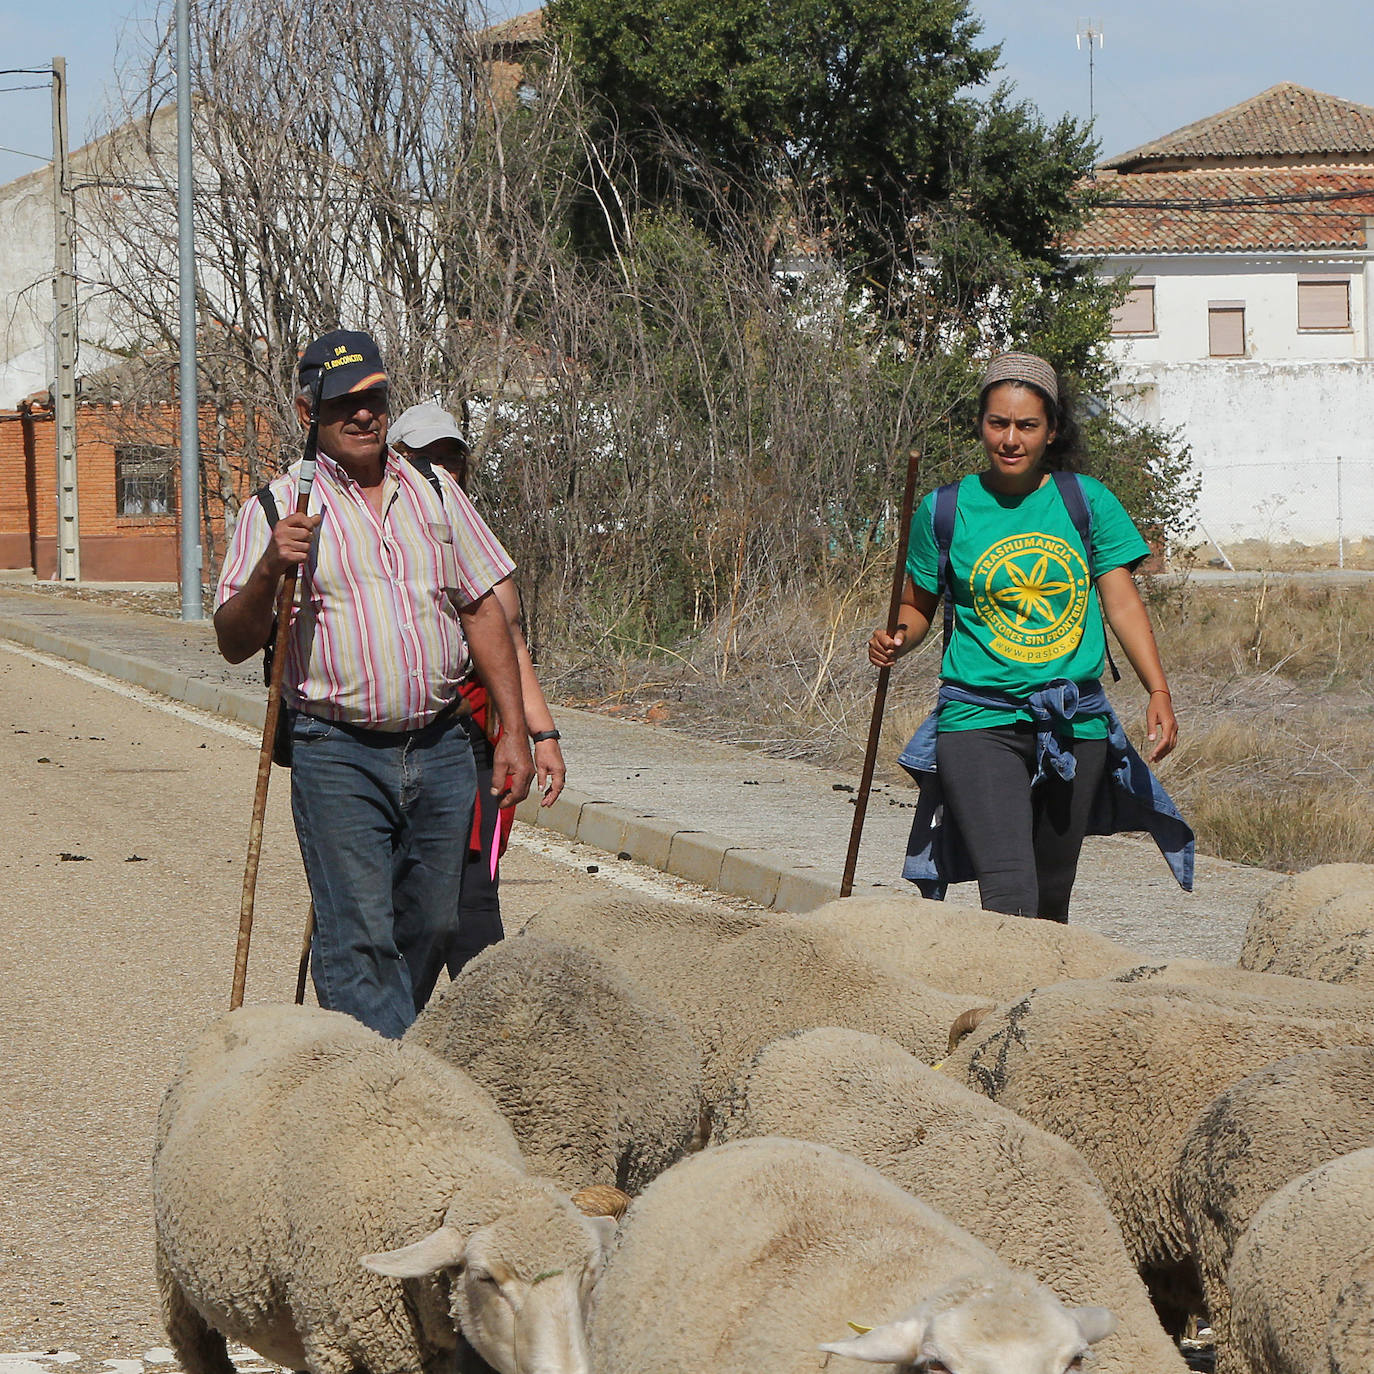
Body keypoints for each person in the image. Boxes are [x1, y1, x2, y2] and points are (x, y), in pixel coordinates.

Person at [214, 330, 534, 1037]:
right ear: (308, 412)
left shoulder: (436, 491)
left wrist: (514, 730)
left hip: (444, 743)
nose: (364, 414)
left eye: (375, 398)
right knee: (357, 931)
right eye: (344, 403)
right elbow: (234, 641)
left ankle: (381, 1050)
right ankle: (382, 1084)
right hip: (336, 750)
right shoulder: (273, 511)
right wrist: (271, 568)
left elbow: (483, 607)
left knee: (437, 920)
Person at [868, 350, 1190, 922]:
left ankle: (1033, 1011)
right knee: (1010, 894)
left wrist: (1157, 691)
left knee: (1049, 896)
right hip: (977, 721)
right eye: (998, 423)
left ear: (1052, 430)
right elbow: (916, 608)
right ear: (980, 425)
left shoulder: (1085, 502)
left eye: (1026, 425)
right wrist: (895, 637)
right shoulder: (944, 510)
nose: (1010, 439)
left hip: (1075, 724)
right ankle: (1002, 1009)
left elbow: (1120, 602)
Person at [388, 399, 567, 975]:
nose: (439, 472)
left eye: (451, 459)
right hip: (388, 743)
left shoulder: (476, 542)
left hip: (472, 747)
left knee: (471, 908)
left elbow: (513, 646)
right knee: (398, 905)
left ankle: (491, 1043)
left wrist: (542, 735)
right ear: (396, 460)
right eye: (424, 459)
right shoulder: (373, 538)